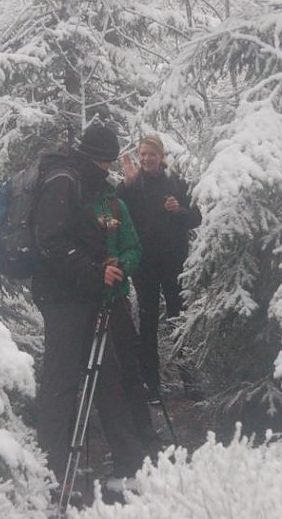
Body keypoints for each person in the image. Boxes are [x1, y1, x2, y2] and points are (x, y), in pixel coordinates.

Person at [31, 124, 147, 488]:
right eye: (107, 162)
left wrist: (100, 273)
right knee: (61, 383)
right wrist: (95, 273)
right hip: (66, 300)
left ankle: (129, 466)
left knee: (108, 378)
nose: (108, 170)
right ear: (97, 158)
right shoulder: (64, 180)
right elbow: (52, 243)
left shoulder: (77, 179)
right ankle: (52, 474)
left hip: (84, 298)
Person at [118, 134, 202, 403]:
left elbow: (196, 217)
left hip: (174, 264)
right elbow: (115, 211)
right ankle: (151, 385)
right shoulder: (131, 186)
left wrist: (179, 211)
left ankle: (188, 379)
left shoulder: (177, 183)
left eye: (151, 154)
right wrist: (126, 183)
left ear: (161, 156)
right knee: (149, 324)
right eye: (142, 154)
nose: (146, 159)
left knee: (178, 321)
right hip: (144, 267)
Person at [93, 185, 160, 456]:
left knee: (130, 370)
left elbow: (134, 248)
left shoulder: (116, 206)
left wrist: (122, 263)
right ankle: (122, 445)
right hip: (87, 304)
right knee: (103, 377)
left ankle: (146, 435)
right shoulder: (76, 204)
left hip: (117, 300)